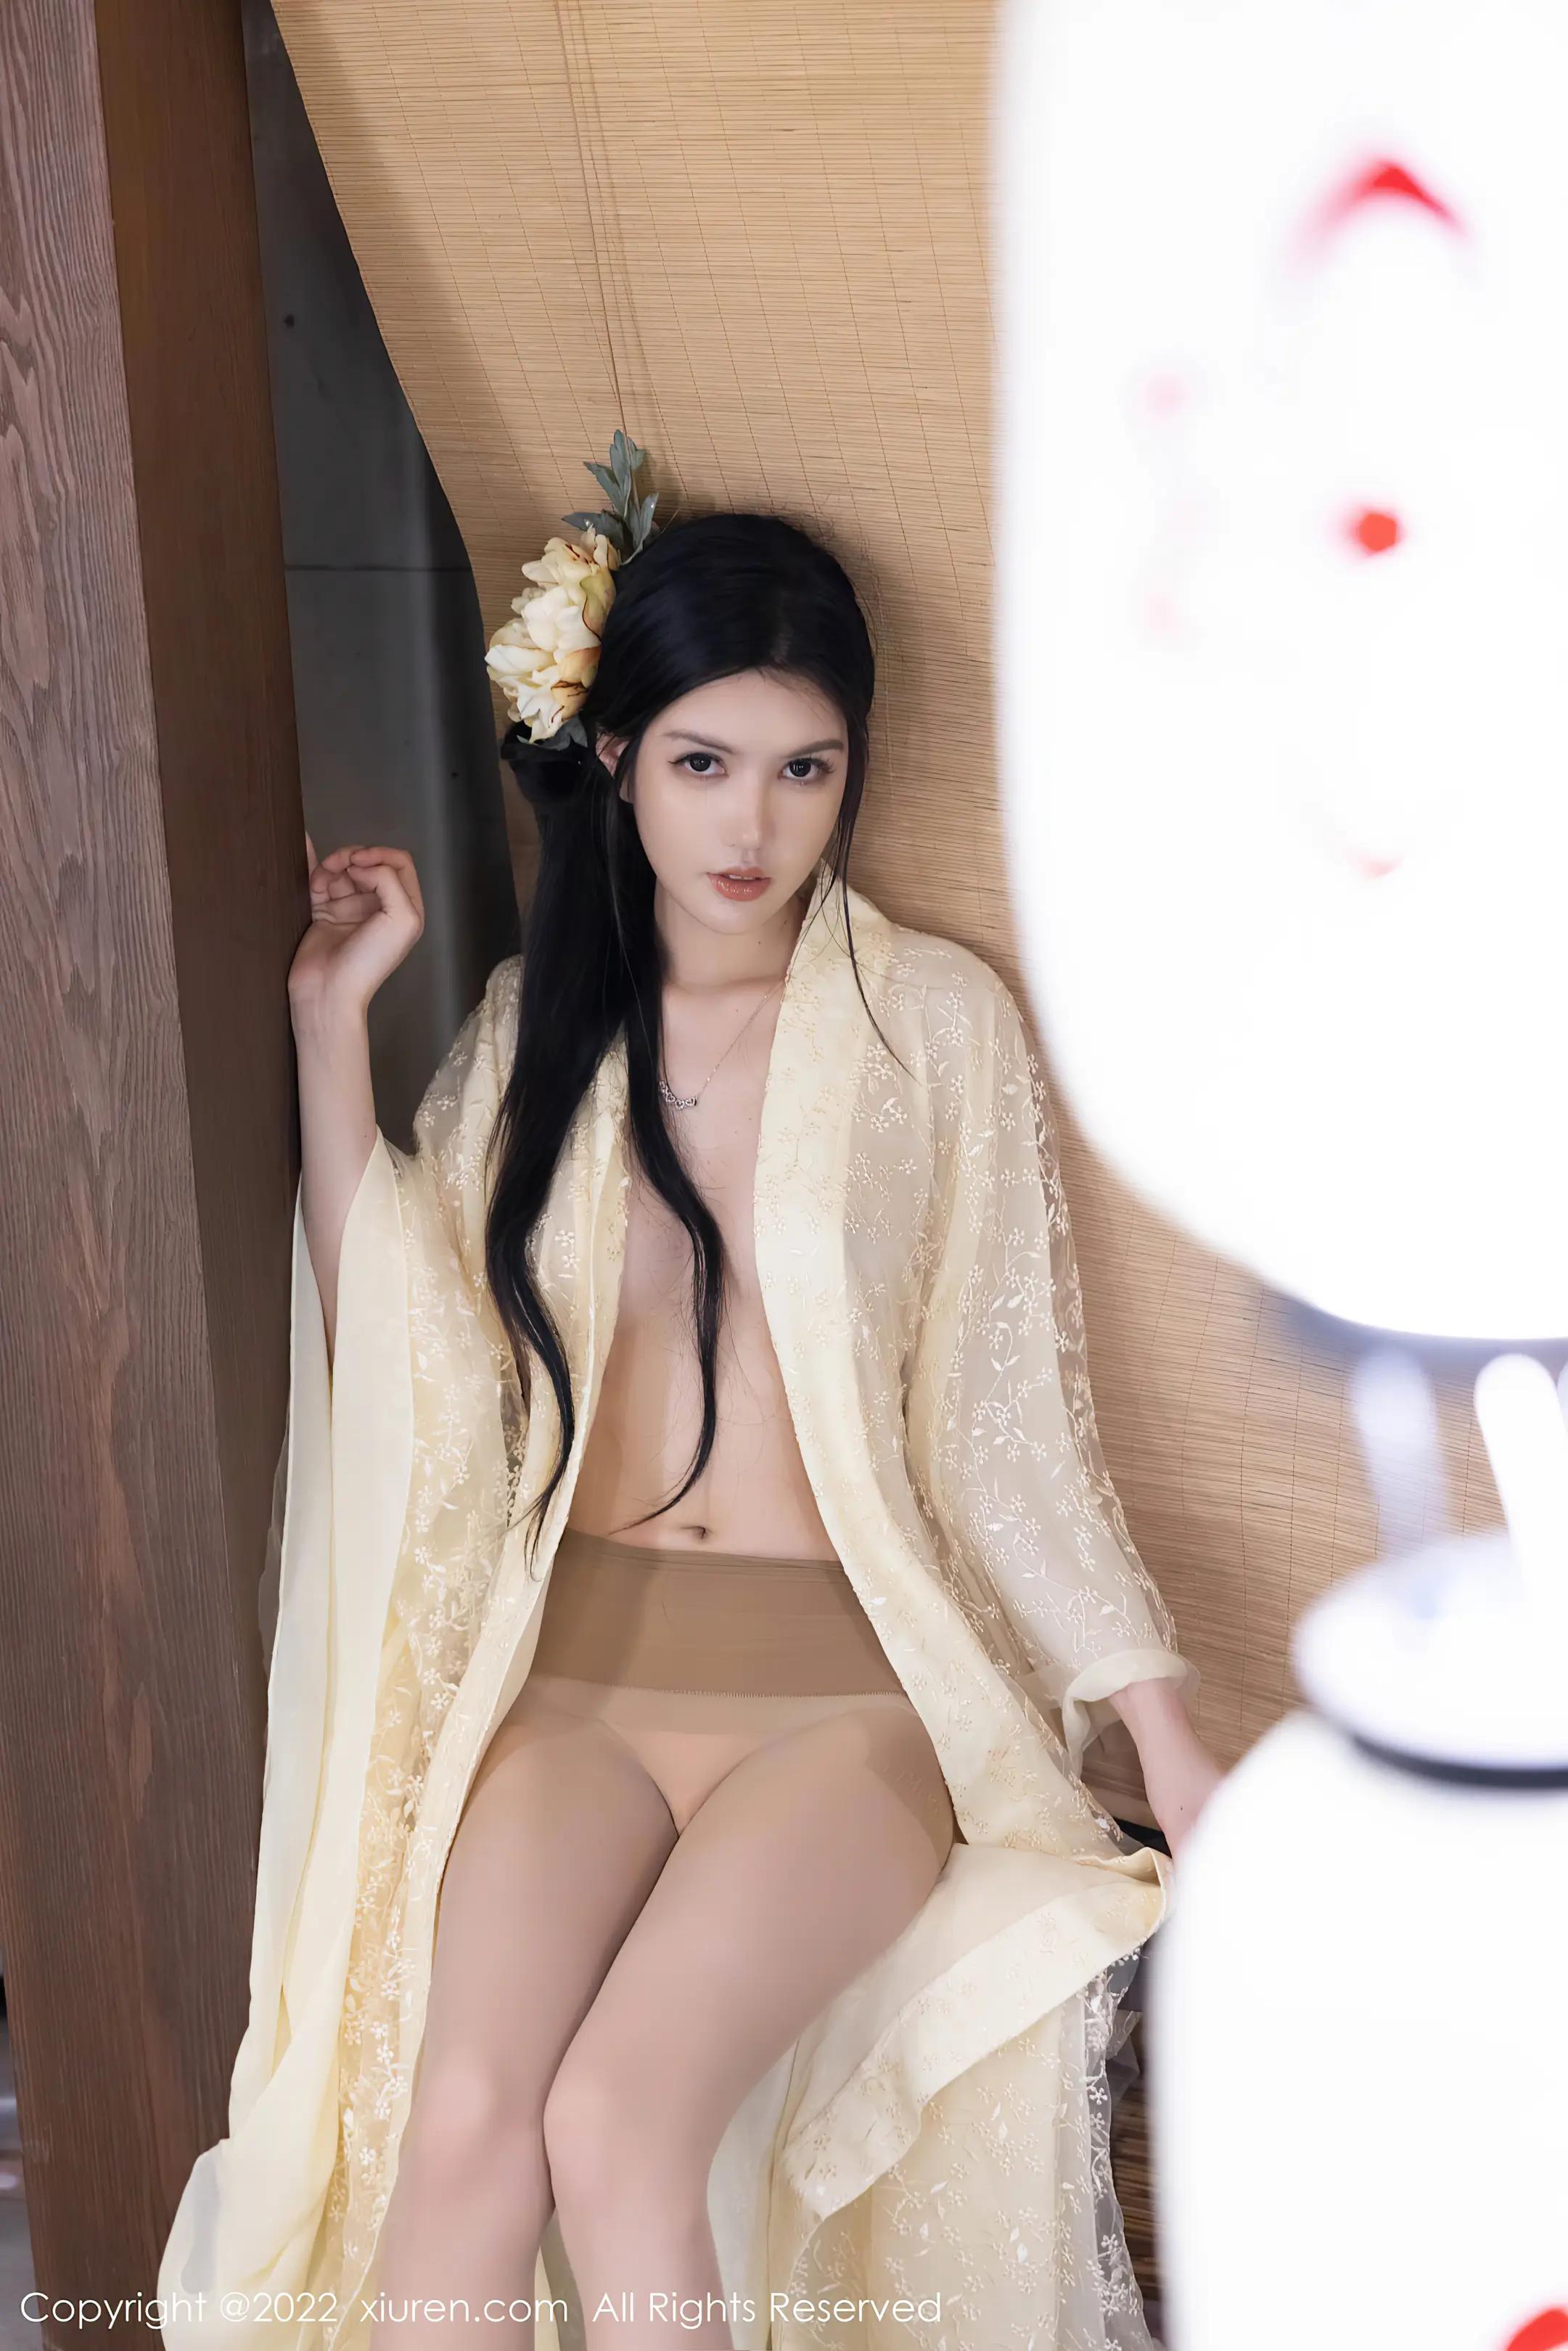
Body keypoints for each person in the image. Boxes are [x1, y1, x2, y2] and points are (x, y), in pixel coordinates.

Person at [158, 510, 1220, 2351]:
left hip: (841, 1708)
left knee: (617, 2123)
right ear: (616, 760)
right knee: (462, 2135)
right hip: (578, 1681)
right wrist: (333, 1026)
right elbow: (413, 1344)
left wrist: (1168, 1740)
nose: (755, 825)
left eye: (806, 768)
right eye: (705, 763)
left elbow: (1004, 1420)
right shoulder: (540, 1032)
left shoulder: (931, 1024)